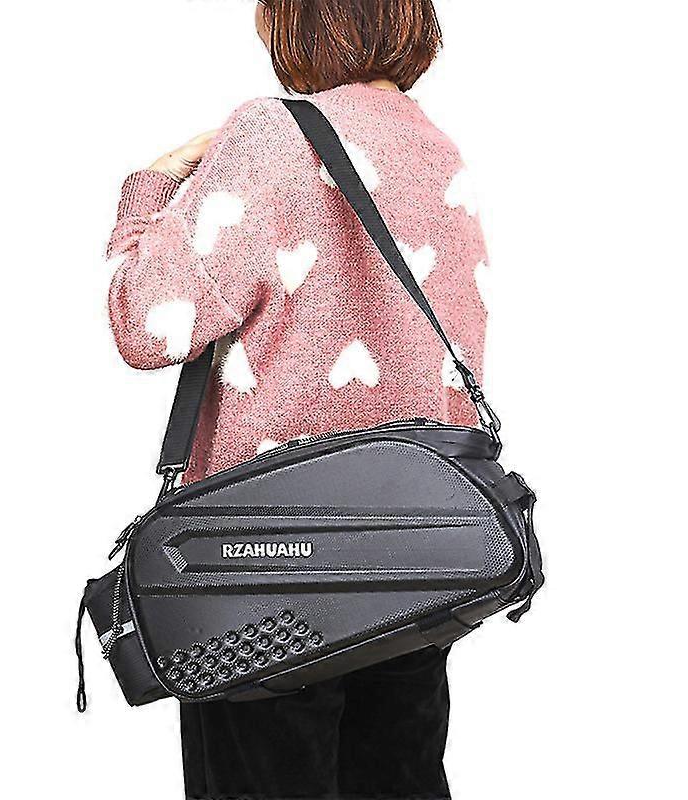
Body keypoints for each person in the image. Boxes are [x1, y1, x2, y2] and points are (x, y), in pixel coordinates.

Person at [105, 2, 489, 797]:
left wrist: (151, 188)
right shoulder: (438, 148)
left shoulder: (271, 136)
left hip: (267, 571)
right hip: (414, 562)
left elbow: (146, 323)